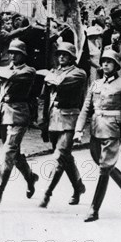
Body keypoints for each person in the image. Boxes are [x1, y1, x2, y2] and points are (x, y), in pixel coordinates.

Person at [74, 49, 121, 222]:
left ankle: (94, 209)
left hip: (113, 130)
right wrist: (79, 130)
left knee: (104, 169)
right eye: (104, 61)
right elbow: (86, 108)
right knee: (101, 163)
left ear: (116, 66)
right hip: (95, 130)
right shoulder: (95, 84)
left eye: (109, 62)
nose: (105, 64)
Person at [37, 42, 87, 208]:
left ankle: (47, 193)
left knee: (59, 157)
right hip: (53, 119)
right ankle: (78, 186)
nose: (61, 57)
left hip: (70, 119)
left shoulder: (79, 74)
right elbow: (43, 97)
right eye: (59, 54)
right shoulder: (53, 73)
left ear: (72, 57)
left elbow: (61, 83)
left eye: (65, 54)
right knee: (65, 157)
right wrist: (41, 119)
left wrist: (46, 74)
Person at [0, 39, 39, 203]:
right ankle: (30, 177)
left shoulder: (29, 71)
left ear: (23, 55)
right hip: (3, 115)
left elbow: (16, 76)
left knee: (8, 152)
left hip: (18, 115)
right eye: (10, 52)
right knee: (14, 154)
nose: (12, 56)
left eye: (16, 53)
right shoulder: (3, 70)